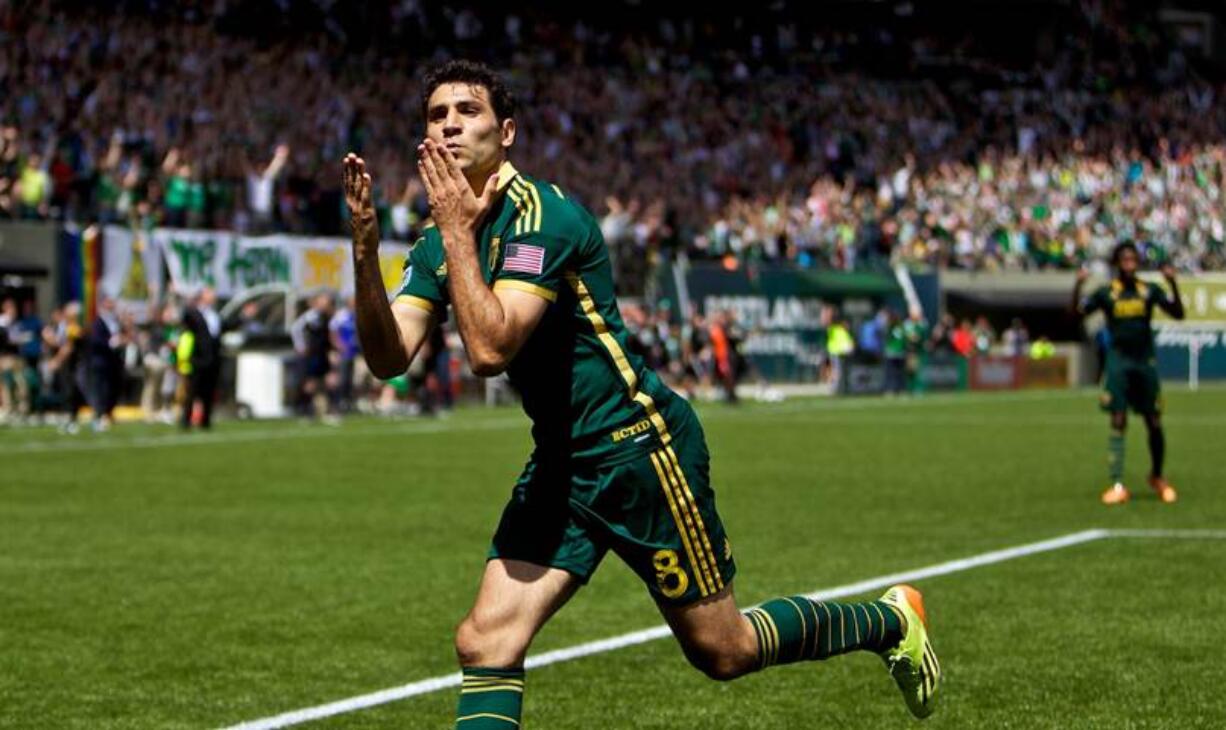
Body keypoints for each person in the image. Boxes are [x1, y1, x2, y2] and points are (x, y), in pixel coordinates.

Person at [343, 60, 940, 729]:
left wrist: (455, 230)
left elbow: (489, 350)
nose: (449, 124)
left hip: (639, 450)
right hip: (564, 463)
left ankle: (888, 621)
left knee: (725, 650)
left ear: (507, 131)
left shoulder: (545, 217)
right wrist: (366, 253)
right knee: (487, 639)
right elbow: (387, 355)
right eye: (436, 115)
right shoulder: (437, 243)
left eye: (468, 111)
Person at [1073, 241, 1184, 505]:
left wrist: (1173, 283)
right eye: (1124, 259)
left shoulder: (1149, 291)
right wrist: (1077, 285)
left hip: (1145, 362)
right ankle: (1117, 483)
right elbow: (1076, 313)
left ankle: (1157, 476)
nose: (1129, 263)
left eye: (1133, 259)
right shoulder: (1107, 292)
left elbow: (1178, 314)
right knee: (1118, 419)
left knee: (1154, 421)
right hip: (1119, 362)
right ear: (1116, 263)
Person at [181, 287, 223, 429]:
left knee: (209, 391)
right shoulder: (194, 313)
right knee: (192, 391)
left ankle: (205, 421)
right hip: (198, 358)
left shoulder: (215, 314)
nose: (213, 296)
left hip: (214, 359)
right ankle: (185, 420)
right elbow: (186, 318)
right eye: (210, 293)